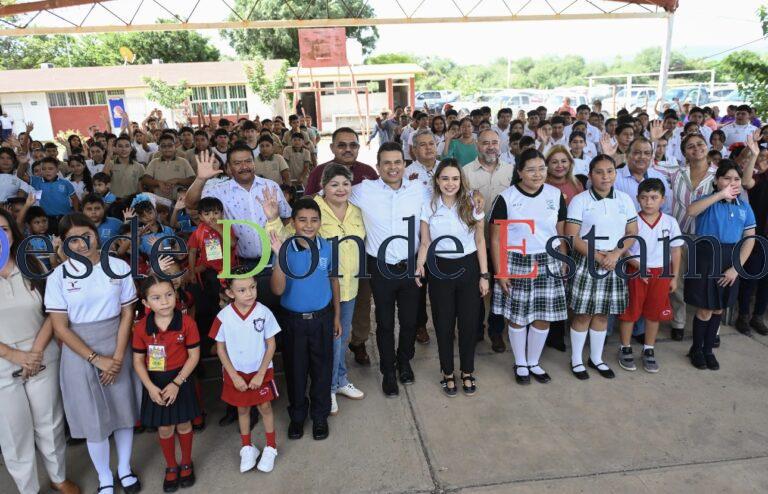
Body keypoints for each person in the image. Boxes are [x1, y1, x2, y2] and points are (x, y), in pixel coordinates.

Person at [46, 213, 142, 494]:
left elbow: (127, 313)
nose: (82, 244)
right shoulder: (58, 276)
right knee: (93, 419)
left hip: (116, 343)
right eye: (73, 240)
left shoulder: (118, 266)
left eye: (86, 236)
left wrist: (117, 357)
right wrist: (96, 359)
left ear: (96, 234)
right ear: (64, 243)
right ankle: (105, 477)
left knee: (124, 410)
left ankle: (124, 469)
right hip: (79, 352)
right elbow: (60, 327)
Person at [263, 165, 367, 415]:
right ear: (323, 186)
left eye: (345, 184)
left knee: (341, 337)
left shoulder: (357, 211)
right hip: (322, 289)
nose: (341, 189)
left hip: (349, 285)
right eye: (334, 184)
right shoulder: (313, 210)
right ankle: (327, 388)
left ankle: (340, 379)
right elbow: (283, 238)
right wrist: (272, 219)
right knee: (330, 342)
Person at [0, 209, 80, 494]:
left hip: (42, 354)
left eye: (4, 229)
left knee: (50, 423)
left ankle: (58, 477)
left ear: (13, 232)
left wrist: (34, 352)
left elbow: (52, 310)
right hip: (3, 363)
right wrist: (14, 355)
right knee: (14, 432)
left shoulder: (31, 263)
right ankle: (28, 489)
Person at [349, 142, 431, 396]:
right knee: (384, 323)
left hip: (411, 265)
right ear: (378, 166)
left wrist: (475, 198)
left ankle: (404, 362)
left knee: (409, 321)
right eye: (387, 163)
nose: (392, 167)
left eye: (397, 162)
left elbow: (449, 194)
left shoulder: (419, 189)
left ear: (405, 165)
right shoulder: (363, 190)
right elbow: (328, 194)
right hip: (380, 267)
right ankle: (388, 371)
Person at [491, 149, 568, 384]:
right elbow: (496, 239)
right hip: (517, 261)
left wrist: (563, 259)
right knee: (518, 315)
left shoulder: (555, 195)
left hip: (549, 260)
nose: (538, 174)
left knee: (544, 315)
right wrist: (501, 271)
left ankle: (533, 361)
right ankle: (521, 362)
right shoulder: (506, 198)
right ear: (520, 172)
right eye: (531, 170)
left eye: (542, 168)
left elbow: (560, 231)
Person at [303, 128, 377, 365]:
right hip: (327, 262)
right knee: (331, 311)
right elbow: (307, 207)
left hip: (360, 254)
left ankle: (359, 342)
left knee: (361, 302)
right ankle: (331, 359)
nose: (348, 149)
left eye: (353, 145)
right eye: (342, 145)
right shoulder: (319, 172)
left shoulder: (368, 172)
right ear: (332, 147)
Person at [269, 198, 341, 441]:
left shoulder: (327, 247)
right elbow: (277, 290)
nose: (309, 225)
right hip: (294, 322)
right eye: (302, 220)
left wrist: (336, 316)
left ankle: (320, 416)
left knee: (322, 369)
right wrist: (280, 257)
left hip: (322, 319)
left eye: (314, 220)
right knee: (296, 370)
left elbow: (334, 281)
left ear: (320, 222)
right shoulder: (285, 248)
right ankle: (298, 416)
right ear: (293, 222)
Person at [416, 158, 488, 395]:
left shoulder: (472, 203)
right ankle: (447, 372)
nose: (450, 183)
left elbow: (480, 240)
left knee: (468, 323)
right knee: (443, 323)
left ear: (461, 180)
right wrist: (420, 265)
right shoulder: (429, 205)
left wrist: (484, 275)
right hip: (439, 269)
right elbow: (425, 242)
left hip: (468, 267)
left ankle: (467, 371)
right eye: (445, 178)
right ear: (437, 180)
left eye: (455, 178)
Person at [565, 154, 638, 380]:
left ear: (615, 174)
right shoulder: (580, 200)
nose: (605, 176)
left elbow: (632, 232)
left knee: (603, 314)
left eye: (610, 171)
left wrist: (615, 254)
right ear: (590, 175)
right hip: (588, 260)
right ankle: (577, 359)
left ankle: (596, 358)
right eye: (599, 172)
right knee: (583, 314)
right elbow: (572, 236)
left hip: (614, 260)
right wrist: (598, 257)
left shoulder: (625, 199)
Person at [684, 161, 756, 370]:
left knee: (718, 308)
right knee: (705, 308)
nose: (732, 182)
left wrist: (736, 268)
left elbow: (749, 239)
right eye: (726, 178)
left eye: (736, 179)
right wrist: (720, 195)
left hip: (730, 258)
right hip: (706, 256)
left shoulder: (744, 207)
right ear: (716, 181)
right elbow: (691, 211)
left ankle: (708, 350)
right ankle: (697, 349)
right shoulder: (708, 200)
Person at [132, 276, 201, 491]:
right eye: (156, 298)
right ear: (145, 302)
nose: (164, 301)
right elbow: (138, 361)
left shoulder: (187, 323)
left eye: (169, 295)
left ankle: (186, 462)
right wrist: (150, 387)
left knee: (184, 424)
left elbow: (194, 356)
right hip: (155, 383)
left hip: (181, 380)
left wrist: (177, 383)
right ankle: (171, 466)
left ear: (176, 295)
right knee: (165, 428)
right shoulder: (141, 328)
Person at [211, 271, 279, 473]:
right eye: (242, 290)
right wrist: (233, 376)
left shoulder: (264, 312)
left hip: (260, 371)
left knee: (265, 407)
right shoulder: (223, 317)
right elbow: (220, 349)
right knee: (242, 409)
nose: (249, 293)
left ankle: (271, 447)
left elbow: (271, 345)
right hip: (237, 374)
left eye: (252, 287)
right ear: (230, 293)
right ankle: (247, 447)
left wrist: (260, 373)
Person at [617, 179, 682, 373]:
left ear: (663, 199)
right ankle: (625, 347)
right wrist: (638, 266)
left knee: (654, 314)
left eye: (654, 198)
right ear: (638, 199)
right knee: (630, 312)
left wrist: (674, 276)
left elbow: (675, 250)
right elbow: (623, 250)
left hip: (661, 273)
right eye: (644, 198)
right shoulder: (632, 222)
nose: (649, 202)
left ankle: (649, 349)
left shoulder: (670, 222)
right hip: (636, 271)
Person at [463, 129, 514, 352]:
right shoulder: (465, 172)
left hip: (503, 242)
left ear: (500, 144)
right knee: (475, 290)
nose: (491, 147)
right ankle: (476, 329)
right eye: (485, 143)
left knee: (499, 289)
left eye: (494, 142)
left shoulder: (512, 171)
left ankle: (496, 331)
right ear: (477, 145)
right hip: (475, 242)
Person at [664, 133, 718, 341]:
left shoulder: (718, 174)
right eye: (690, 146)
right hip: (680, 235)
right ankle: (678, 321)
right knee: (677, 280)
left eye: (700, 144)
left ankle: (711, 327)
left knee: (707, 282)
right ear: (684, 152)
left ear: (707, 146)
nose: (696, 149)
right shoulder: (676, 172)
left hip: (707, 237)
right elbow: (650, 163)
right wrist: (655, 140)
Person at [736, 145, 768, 336]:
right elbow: (746, 182)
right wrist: (755, 155)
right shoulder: (760, 178)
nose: (764, 160)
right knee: (750, 277)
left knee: (766, 282)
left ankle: (758, 316)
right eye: (762, 157)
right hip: (757, 237)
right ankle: (743, 315)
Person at [31, 157, 79, 234]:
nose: (47, 171)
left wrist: (76, 214)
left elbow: (75, 198)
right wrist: (23, 163)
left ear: (57, 170)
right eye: (43, 169)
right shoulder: (37, 182)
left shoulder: (65, 183)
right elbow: (20, 176)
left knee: (67, 237)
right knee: (51, 239)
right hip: (47, 219)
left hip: (65, 218)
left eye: (50, 168)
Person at [142, 135, 196, 201]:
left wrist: (178, 180)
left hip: (179, 201)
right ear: (159, 148)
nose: (167, 148)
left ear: (175, 147)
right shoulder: (154, 162)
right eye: (163, 146)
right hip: (159, 202)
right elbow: (145, 179)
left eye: (170, 145)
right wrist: (158, 183)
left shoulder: (183, 161)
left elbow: (193, 179)